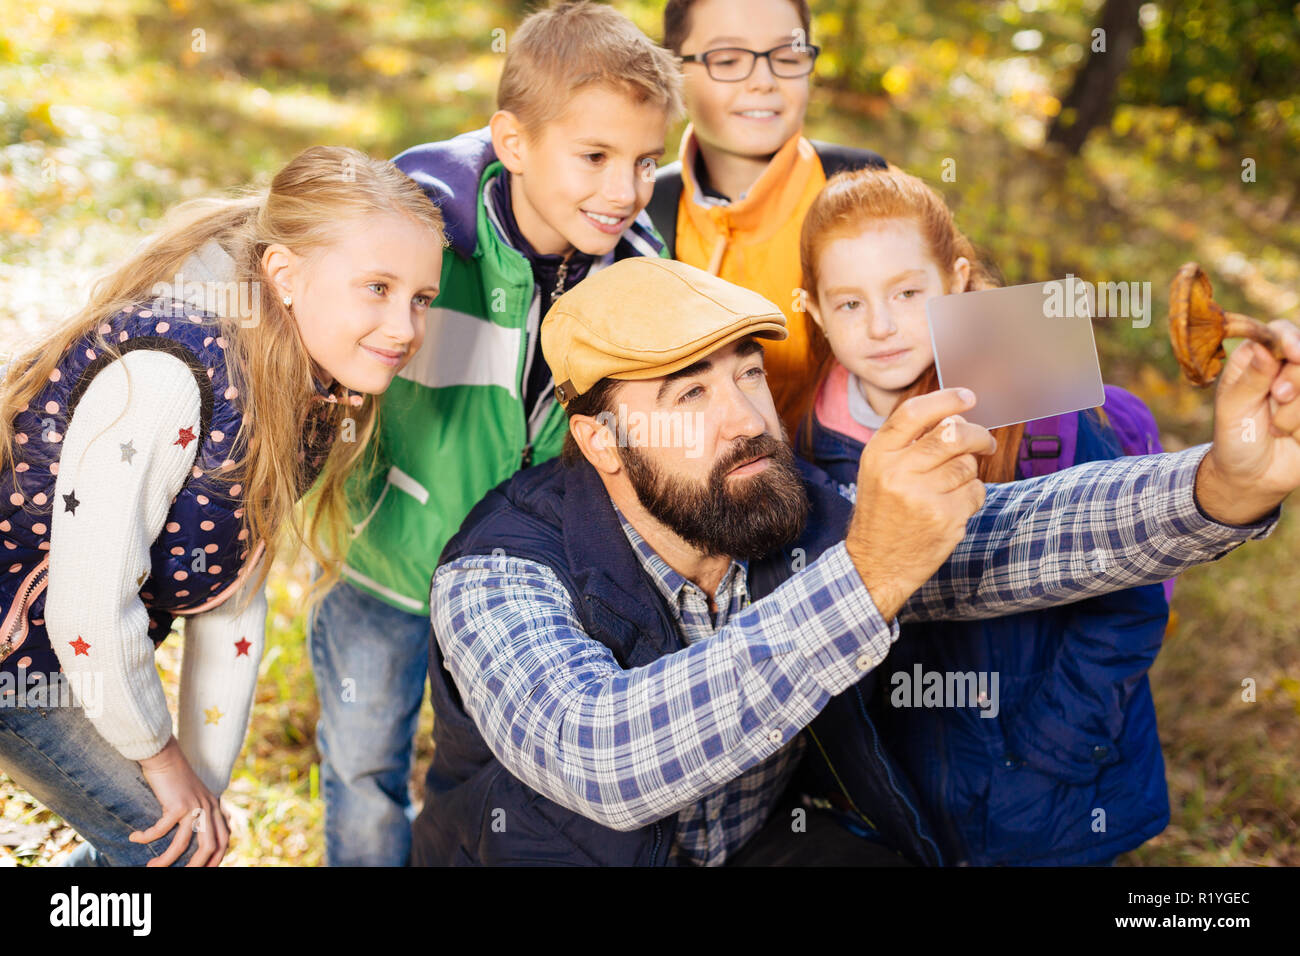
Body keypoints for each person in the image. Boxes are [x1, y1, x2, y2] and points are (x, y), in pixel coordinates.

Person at [409, 255, 1297, 866]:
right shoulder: (496, 571)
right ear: (600, 442)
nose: (745, 418)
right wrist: (867, 575)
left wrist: (1222, 485)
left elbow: (1015, 533)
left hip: (757, 845)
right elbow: (602, 753)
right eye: (690, 394)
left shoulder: (774, 504)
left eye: (747, 375)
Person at [308, 1, 682, 865]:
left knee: (492, 783)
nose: (624, 190)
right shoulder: (425, 240)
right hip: (384, 562)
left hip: (522, 590)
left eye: (645, 162)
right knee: (363, 769)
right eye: (594, 156)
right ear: (513, 143)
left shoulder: (636, 279)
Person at [0, 145, 444, 866]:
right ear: (285, 275)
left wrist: (200, 787)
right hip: (18, 650)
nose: (405, 327)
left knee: (177, 841)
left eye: (420, 298)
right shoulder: (171, 380)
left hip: (54, 653)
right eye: (376, 287)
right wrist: (159, 759)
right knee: (161, 847)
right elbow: (88, 605)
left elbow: (230, 604)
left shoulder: (302, 392)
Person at [795, 165, 1173, 864]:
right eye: (849, 304)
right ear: (814, 311)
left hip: (1052, 796)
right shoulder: (803, 447)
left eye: (908, 293)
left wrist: (1052, 753)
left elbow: (1130, 595)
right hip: (906, 811)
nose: (880, 327)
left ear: (958, 280)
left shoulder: (1030, 385)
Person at [646, 0, 887, 433]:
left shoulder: (868, 187)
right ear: (674, 70)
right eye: (728, 59)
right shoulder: (639, 212)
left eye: (787, 56)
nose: (764, 80)